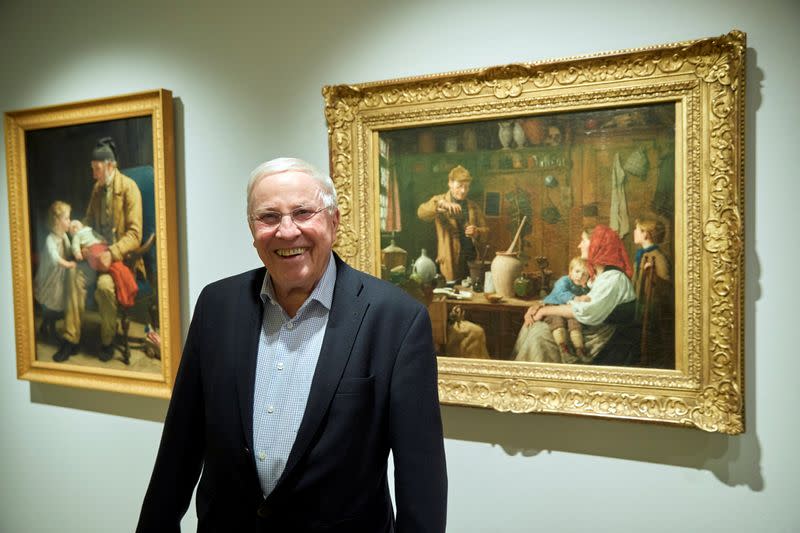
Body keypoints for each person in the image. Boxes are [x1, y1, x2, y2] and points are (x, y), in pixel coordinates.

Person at [137, 158, 447, 532]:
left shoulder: (396, 319)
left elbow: (421, 481)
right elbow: (179, 448)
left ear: (333, 222)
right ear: (252, 230)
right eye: (268, 217)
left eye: (303, 212)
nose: (286, 231)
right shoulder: (217, 305)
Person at [51, 137, 143, 363]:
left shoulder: (130, 188)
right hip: (94, 257)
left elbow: (135, 235)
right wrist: (81, 241)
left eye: (97, 169)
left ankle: (107, 340)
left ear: (110, 166)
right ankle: (71, 339)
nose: (93, 174)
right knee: (73, 274)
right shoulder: (97, 189)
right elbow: (88, 222)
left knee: (104, 288)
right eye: (92, 169)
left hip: (118, 261)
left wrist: (111, 253)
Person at [513, 225, 635, 364]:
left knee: (539, 336)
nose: (579, 245)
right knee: (534, 326)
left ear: (597, 245)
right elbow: (574, 301)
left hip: (604, 337)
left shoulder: (613, 278)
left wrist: (545, 310)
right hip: (590, 327)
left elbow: (586, 310)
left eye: (583, 241)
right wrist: (539, 306)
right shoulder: (597, 275)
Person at [417, 165, 488, 282]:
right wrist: (441, 204)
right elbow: (421, 212)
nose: (463, 191)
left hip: (471, 261)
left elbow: (486, 233)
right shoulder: (440, 200)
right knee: (451, 291)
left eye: (467, 187)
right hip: (449, 259)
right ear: (450, 183)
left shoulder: (473, 206)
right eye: (459, 186)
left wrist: (477, 232)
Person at [68, 219, 138, 307]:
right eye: (72, 230)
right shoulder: (83, 232)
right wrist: (80, 252)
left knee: (110, 268)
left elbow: (134, 236)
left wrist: (110, 250)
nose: (74, 230)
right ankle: (74, 319)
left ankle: (127, 288)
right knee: (73, 275)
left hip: (105, 249)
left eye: (74, 227)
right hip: (96, 250)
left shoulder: (83, 232)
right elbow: (76, 246)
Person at [34, 201, 76, 344]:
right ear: (57, 221)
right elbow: (55, 258)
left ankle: (48, 327)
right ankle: (47, 328)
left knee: (56, 305)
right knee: (50, 305)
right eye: (67, 218)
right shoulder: (50, 240)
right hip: (50, 278)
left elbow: (70, 251)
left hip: (59, 277)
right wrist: (69, 264)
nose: (69, 221)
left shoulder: (64, 236)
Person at [541, 256, 591, 360]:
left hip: (568, 310)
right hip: (553, 306)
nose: (580, 276)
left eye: (584, 274)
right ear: (570, 272)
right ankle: (563, 348)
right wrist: (576, 298)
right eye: (577, 271)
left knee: (575, 323)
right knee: (558, 323)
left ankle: (579, 348)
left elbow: (586, 299)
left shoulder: (584, 288)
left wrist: (586, 298)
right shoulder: (564, 281)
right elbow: (561, 293)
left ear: (588, 277)